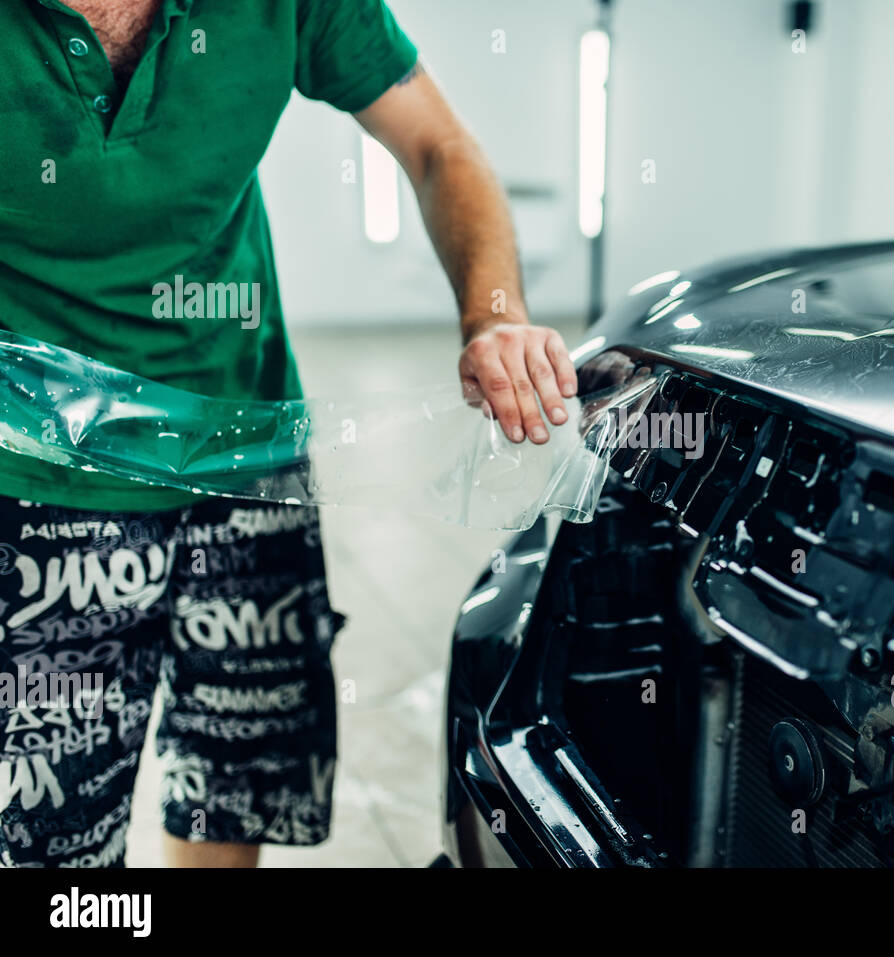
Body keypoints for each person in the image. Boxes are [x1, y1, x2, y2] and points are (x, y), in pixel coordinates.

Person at [0, 0, 576, 867]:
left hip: (246, 457)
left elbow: (437, 146)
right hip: (40, 479)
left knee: (238, 786)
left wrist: (493, 316)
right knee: (54, 840)